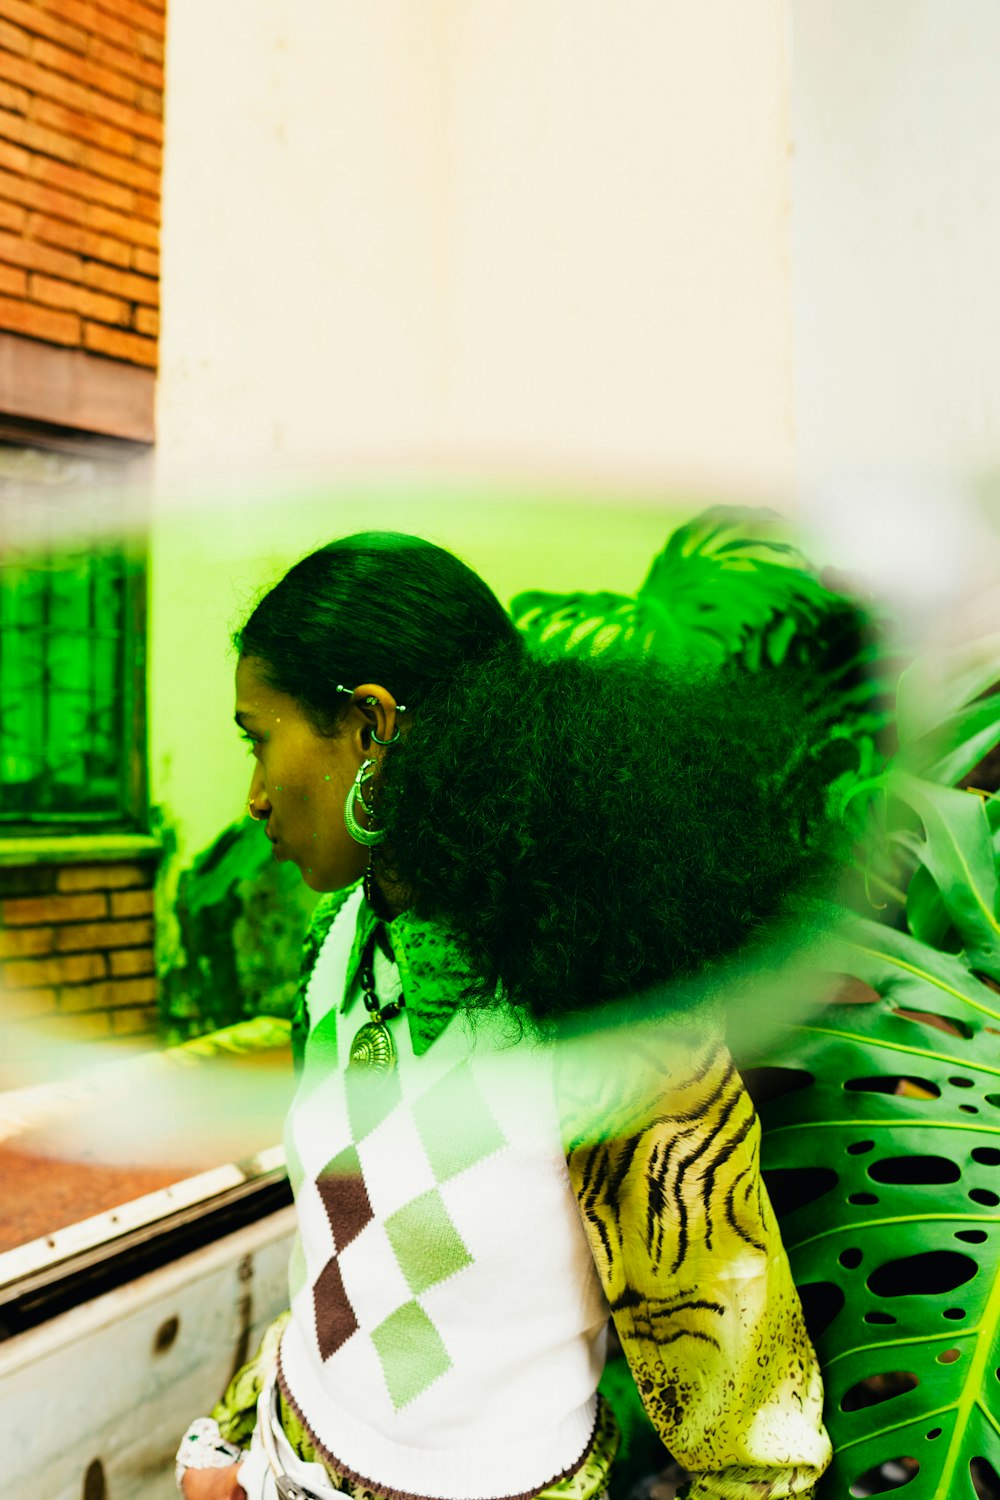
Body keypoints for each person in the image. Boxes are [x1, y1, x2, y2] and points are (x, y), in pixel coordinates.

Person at [176, 531, 840, 1500]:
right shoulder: (338, 944)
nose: (253, 796)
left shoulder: (610, 1028)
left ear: (370, 729)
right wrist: (239, 1430)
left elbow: (752, 1447)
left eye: (258, 736)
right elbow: (341, 1243)